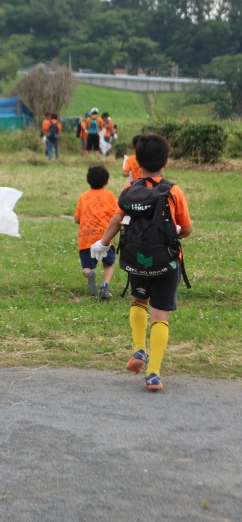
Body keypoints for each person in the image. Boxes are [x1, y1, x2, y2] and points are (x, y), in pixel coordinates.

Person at [91, 133, 192, 391]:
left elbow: (116, 221)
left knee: (138, 302)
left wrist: (103, 244)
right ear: (165, 161)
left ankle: (138, 350)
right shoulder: (174, 191)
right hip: (167, 262)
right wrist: (174, 232)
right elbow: (187, 229)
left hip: (137, 260)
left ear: (137, 161)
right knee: (160, 316)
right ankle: (154, 374)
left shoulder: (128, 189)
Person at [74, 165, 118, 299]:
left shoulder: (83, 197)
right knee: (109, 265)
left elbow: (77, 219)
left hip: (86, 239)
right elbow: (117, 215)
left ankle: (89, 274)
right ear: (107, 181)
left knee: (86, 267)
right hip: (104, 238)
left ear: (88, 181)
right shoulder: (110, 196)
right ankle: (105, 286)